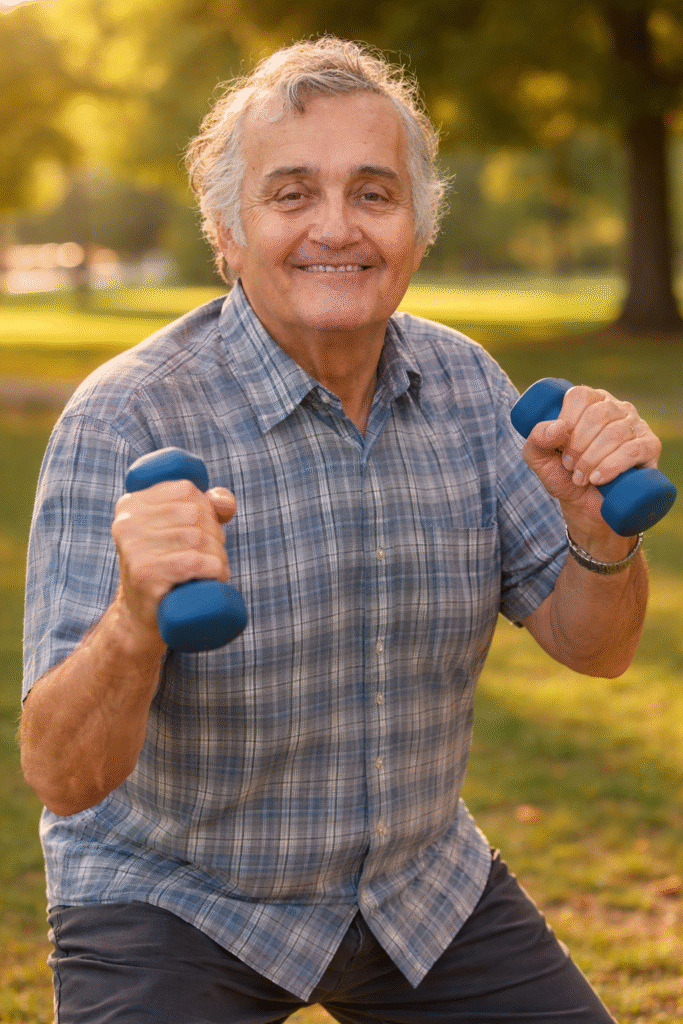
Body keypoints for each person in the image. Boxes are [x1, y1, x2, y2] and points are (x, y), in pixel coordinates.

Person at [21, 36, 660, 1024]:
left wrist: (598, 536)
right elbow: (64, 776)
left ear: (414, 229)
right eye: (289, 194)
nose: (337, 228)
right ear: (226, 233)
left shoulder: (464, 387)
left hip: (416, 886)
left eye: (372, 192)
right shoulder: (128, 419)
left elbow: (597, 648)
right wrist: (133, 620)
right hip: (179, 896)